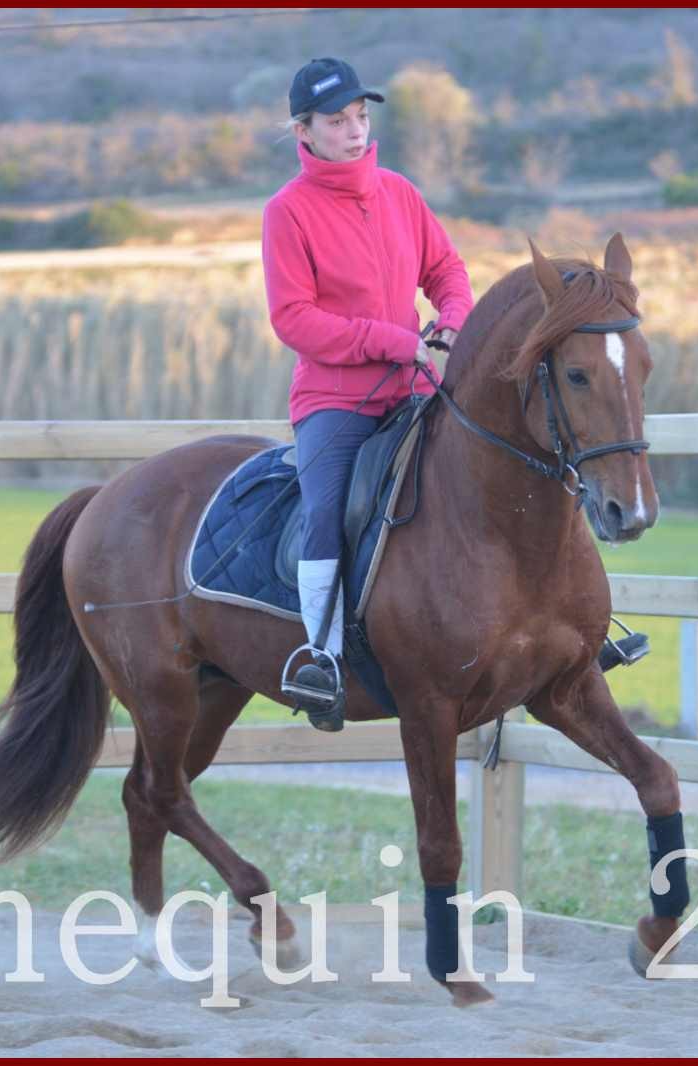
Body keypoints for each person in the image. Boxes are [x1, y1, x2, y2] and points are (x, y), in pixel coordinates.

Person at [261, 57, 473, 731]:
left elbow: (446, 269)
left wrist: (454, 318)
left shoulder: (399, 193)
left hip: (418, 385)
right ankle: (321, 661)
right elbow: (293, 320)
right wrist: (392, 340)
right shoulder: (286, 213)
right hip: (335, 401)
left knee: (500, 470)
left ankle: (565, 636)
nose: (354, 132)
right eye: (336, 121)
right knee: (324, 513)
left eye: (361, 117)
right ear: (304, 130)